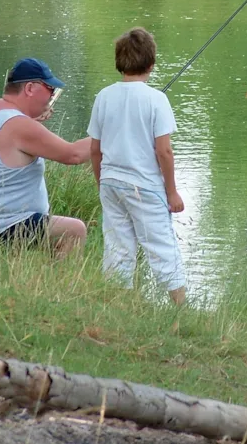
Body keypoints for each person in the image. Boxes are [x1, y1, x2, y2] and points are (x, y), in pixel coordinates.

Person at [0, 57, 90, 257]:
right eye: (50, 89)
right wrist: (109, 132)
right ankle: (61, 285)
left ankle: (39, 281)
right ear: (30, 88)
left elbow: (11, 140)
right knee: (74, 230)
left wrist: (31, 119)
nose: (51, 96)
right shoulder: (19, 124)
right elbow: (73, 155)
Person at [87, 28, 187, 305]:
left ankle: (117, 307)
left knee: (117, 249)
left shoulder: (103, 97)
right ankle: (182, 313)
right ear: (152, 64)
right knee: (162, 248)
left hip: (110, 182)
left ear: (119, 61)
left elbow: (95, 150)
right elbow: (164, 151)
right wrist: (172, 193)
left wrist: (101, 184)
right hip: (145, 187)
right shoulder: (157, 100)